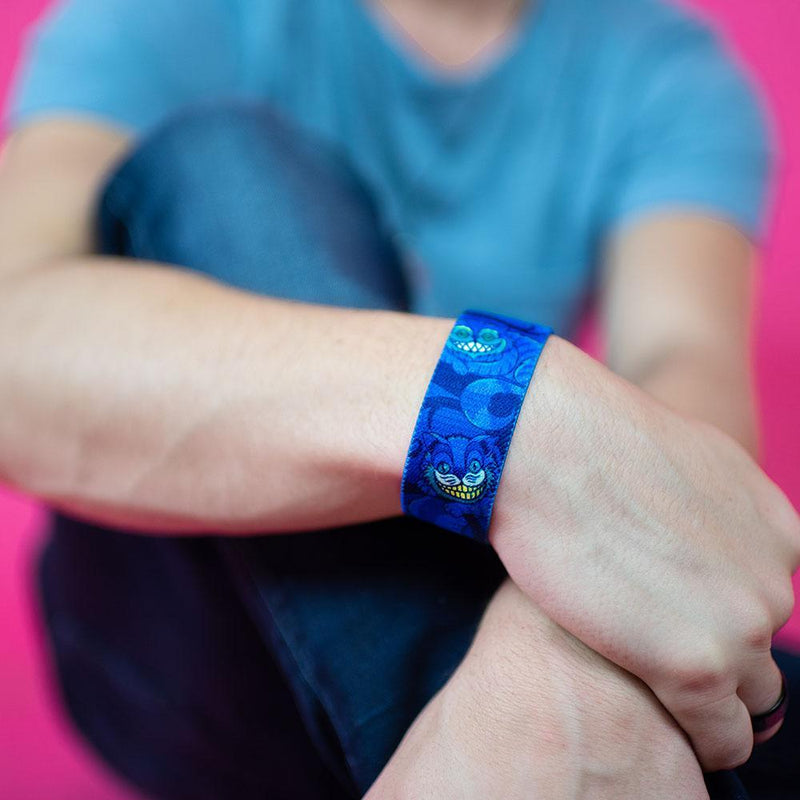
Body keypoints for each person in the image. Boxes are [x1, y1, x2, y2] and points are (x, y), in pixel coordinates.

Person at [1, 0, 799, 797]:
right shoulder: (170, 17)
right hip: (180, 633)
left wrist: (558, 668)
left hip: (482, 611)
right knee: (227, 168)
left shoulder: (666, 71)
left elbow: (682, 366)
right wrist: (517, 419)